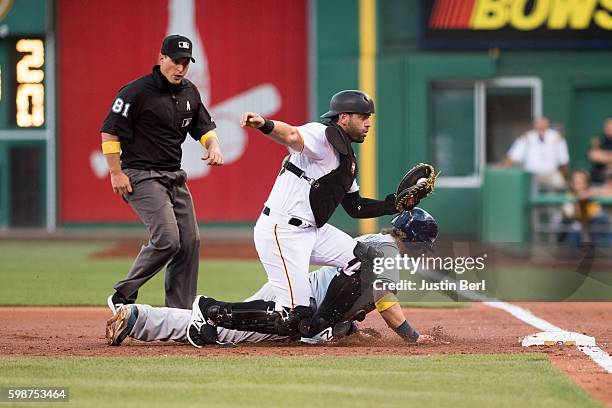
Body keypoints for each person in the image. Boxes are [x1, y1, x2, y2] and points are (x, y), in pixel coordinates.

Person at [105, 208, 438, 347]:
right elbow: (384, 301)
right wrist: (411, 336)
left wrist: (348, 329)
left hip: (304, 296)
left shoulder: (379, 244)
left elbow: (351, 294)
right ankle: (138, 319)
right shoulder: (389, 252)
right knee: (226, 334)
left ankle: (140, 318)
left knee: (228, 333)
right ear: (416, 238)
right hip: (298, 300)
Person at [100, 35, 224, 311]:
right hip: (140, 174)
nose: (180, 68)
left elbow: (203, 128)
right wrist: (115, 172)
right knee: (168, 239)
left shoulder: (190, 92)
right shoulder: (136, 91)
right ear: (161, 58)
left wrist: (213, 145)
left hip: (173, 176)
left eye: (185, 63)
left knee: (190, 240)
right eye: (175, 61)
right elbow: (110, 130)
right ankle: (123, 293)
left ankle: (178, 312)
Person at [500, 117, 569, 192]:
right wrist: (501, 167)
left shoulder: (557, 137)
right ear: (534, 125)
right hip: (531, 176)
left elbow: (564, 161)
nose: (541, 127)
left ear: (547, 125)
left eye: (543, 124)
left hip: (551, 174)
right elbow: (513, 157)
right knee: (523, 189)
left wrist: (563, 174)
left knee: (561, 187)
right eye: (538, 124)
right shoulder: (527, 137)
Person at [558, 170, 611, 246]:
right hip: (575, 225)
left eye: (581, 183)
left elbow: (596, 212)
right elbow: (571, 214)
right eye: (575, 183)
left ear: (586, 183)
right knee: (575, 232)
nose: (578, 185)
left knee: (603, 219)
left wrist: (588, 194)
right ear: (572, 184)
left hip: (591, 225)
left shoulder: (591, 193)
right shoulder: (569, 196)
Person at [588, 118, 612, 184]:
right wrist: (609, 155)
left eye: (611, 127)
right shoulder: (598, 139)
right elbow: (593, 155)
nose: (609, 129)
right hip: (597, 175)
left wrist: (602, 154)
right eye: (607, 126)